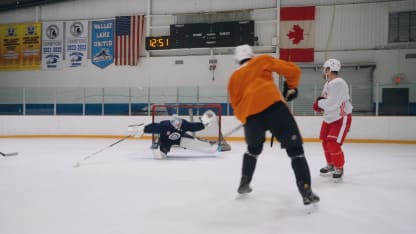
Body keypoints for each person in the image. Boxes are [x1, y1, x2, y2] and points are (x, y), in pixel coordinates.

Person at [227, 44, 319, 206]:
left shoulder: (233, 78)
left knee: (253, 149)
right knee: (295, 150)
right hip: (274, 108)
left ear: (237, 59)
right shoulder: (261, 60)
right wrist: (290, 87)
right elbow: (293, 71)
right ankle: (305, 189)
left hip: (251, 115)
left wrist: (248, 118)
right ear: (251, 54)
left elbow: (235, 104)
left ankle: (244, 182)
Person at [313, 58, 353, 181]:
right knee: (325, 142)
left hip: (340, 118)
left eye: (325, 69)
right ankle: (330, 164)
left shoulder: (338, 82)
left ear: (330, 69)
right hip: (329, 118)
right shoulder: (328, 83)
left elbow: (331, 103)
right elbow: (325, 99)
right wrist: (320, 103)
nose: (324, 71)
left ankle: (339, 167)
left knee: (333, 144)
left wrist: (319, 104)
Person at [131, 111, 218, 159]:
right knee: (160, 156)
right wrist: (143, 129)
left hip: (180, 139)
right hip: (165, 141)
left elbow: (193, 127)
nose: (178, 125)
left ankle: (213, 147)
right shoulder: (165, 125)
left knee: (197, 144)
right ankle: (157, 145)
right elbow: (153, 127)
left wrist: (203, 125)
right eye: (176, 124)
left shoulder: (184, 124)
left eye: (179, 124)